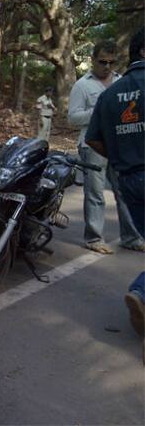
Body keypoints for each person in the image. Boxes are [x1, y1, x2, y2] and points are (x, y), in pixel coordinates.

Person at [85, 27, 145, 336]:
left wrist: (120, 155)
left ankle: (140, 293)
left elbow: (93, 138)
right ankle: (141, 293)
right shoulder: (88, 86)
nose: (107, 66)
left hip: (128, 177)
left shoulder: (110, 95)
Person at [68, 40, 144, 254]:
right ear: (92, 60)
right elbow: (72, 118)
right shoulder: (82, 85)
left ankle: (132, 236)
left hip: (119, 144)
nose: (107, 67)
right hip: (92, 144)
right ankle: (94, 238)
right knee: (95, 193)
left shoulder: (122, 81)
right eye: (102, 62)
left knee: (124, 191)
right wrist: (101, 112)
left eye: (112, 62)